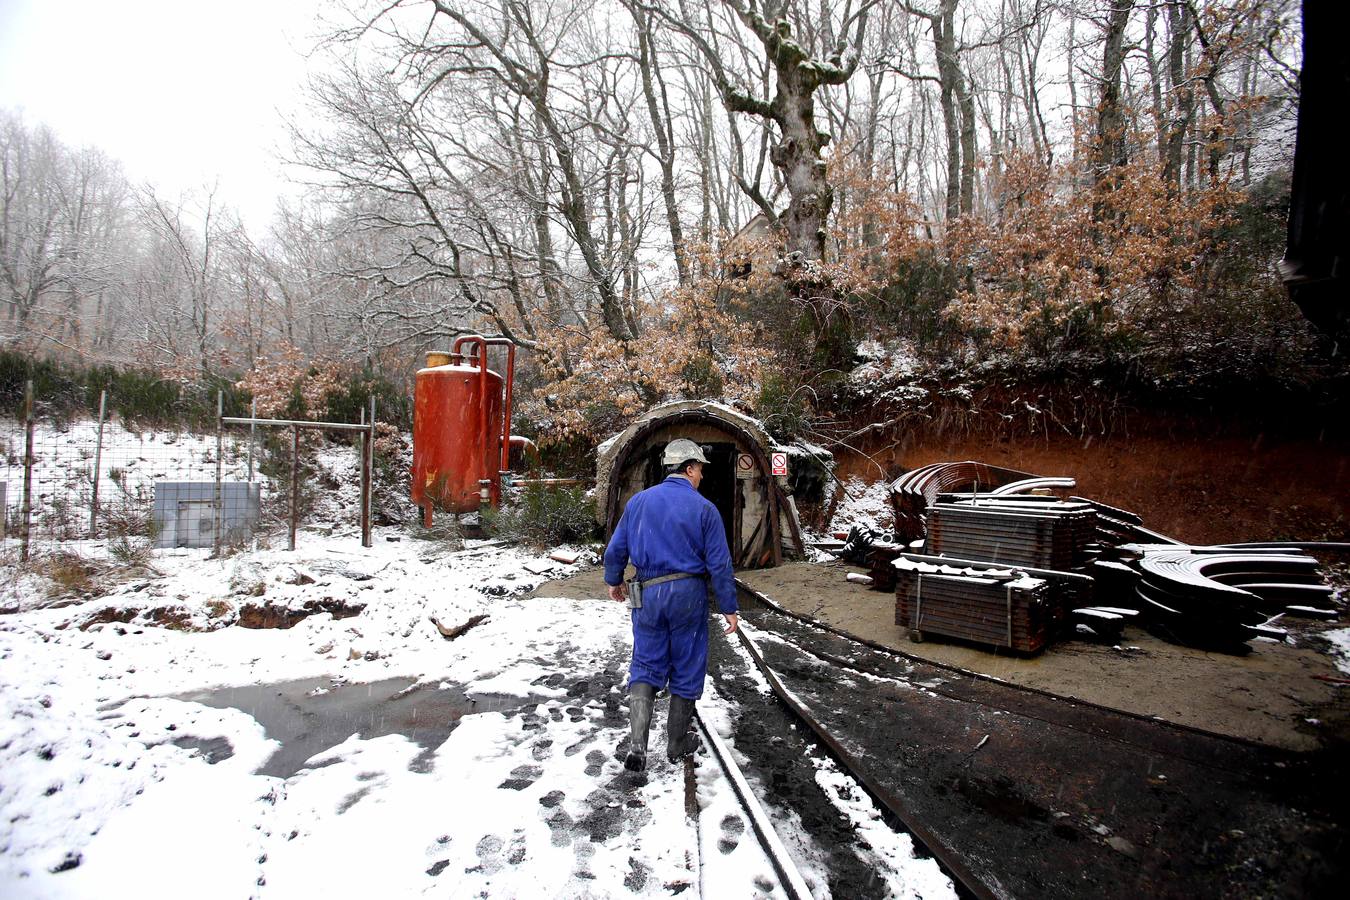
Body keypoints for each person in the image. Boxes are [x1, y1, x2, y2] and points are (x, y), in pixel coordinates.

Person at [604, 438, 739, 772]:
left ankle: (638, 744)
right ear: (689, 468)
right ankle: (677, 743)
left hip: (647, 593)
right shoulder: (704, 509)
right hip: (688, 595)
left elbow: (615, 549)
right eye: (700, 471)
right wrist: (728, 606)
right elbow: (720, 564)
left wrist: (614, 579)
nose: (702, 477)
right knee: (687, 664)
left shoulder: (638, 503)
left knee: (646, 662)